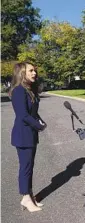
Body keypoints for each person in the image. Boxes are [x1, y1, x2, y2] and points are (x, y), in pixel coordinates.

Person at [9, 62, 47, 212]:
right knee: (25, 167)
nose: (34, 73)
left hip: (30, 134)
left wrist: (41, 121)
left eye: (35, 71)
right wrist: (39, 126)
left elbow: (32, 113)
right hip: (23, 135)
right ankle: (25, 198)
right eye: (31, 71)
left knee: (29, 167)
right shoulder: (19, 91)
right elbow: (23, 115)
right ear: (22, 73)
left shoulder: (29, 90)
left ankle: (30, 195)